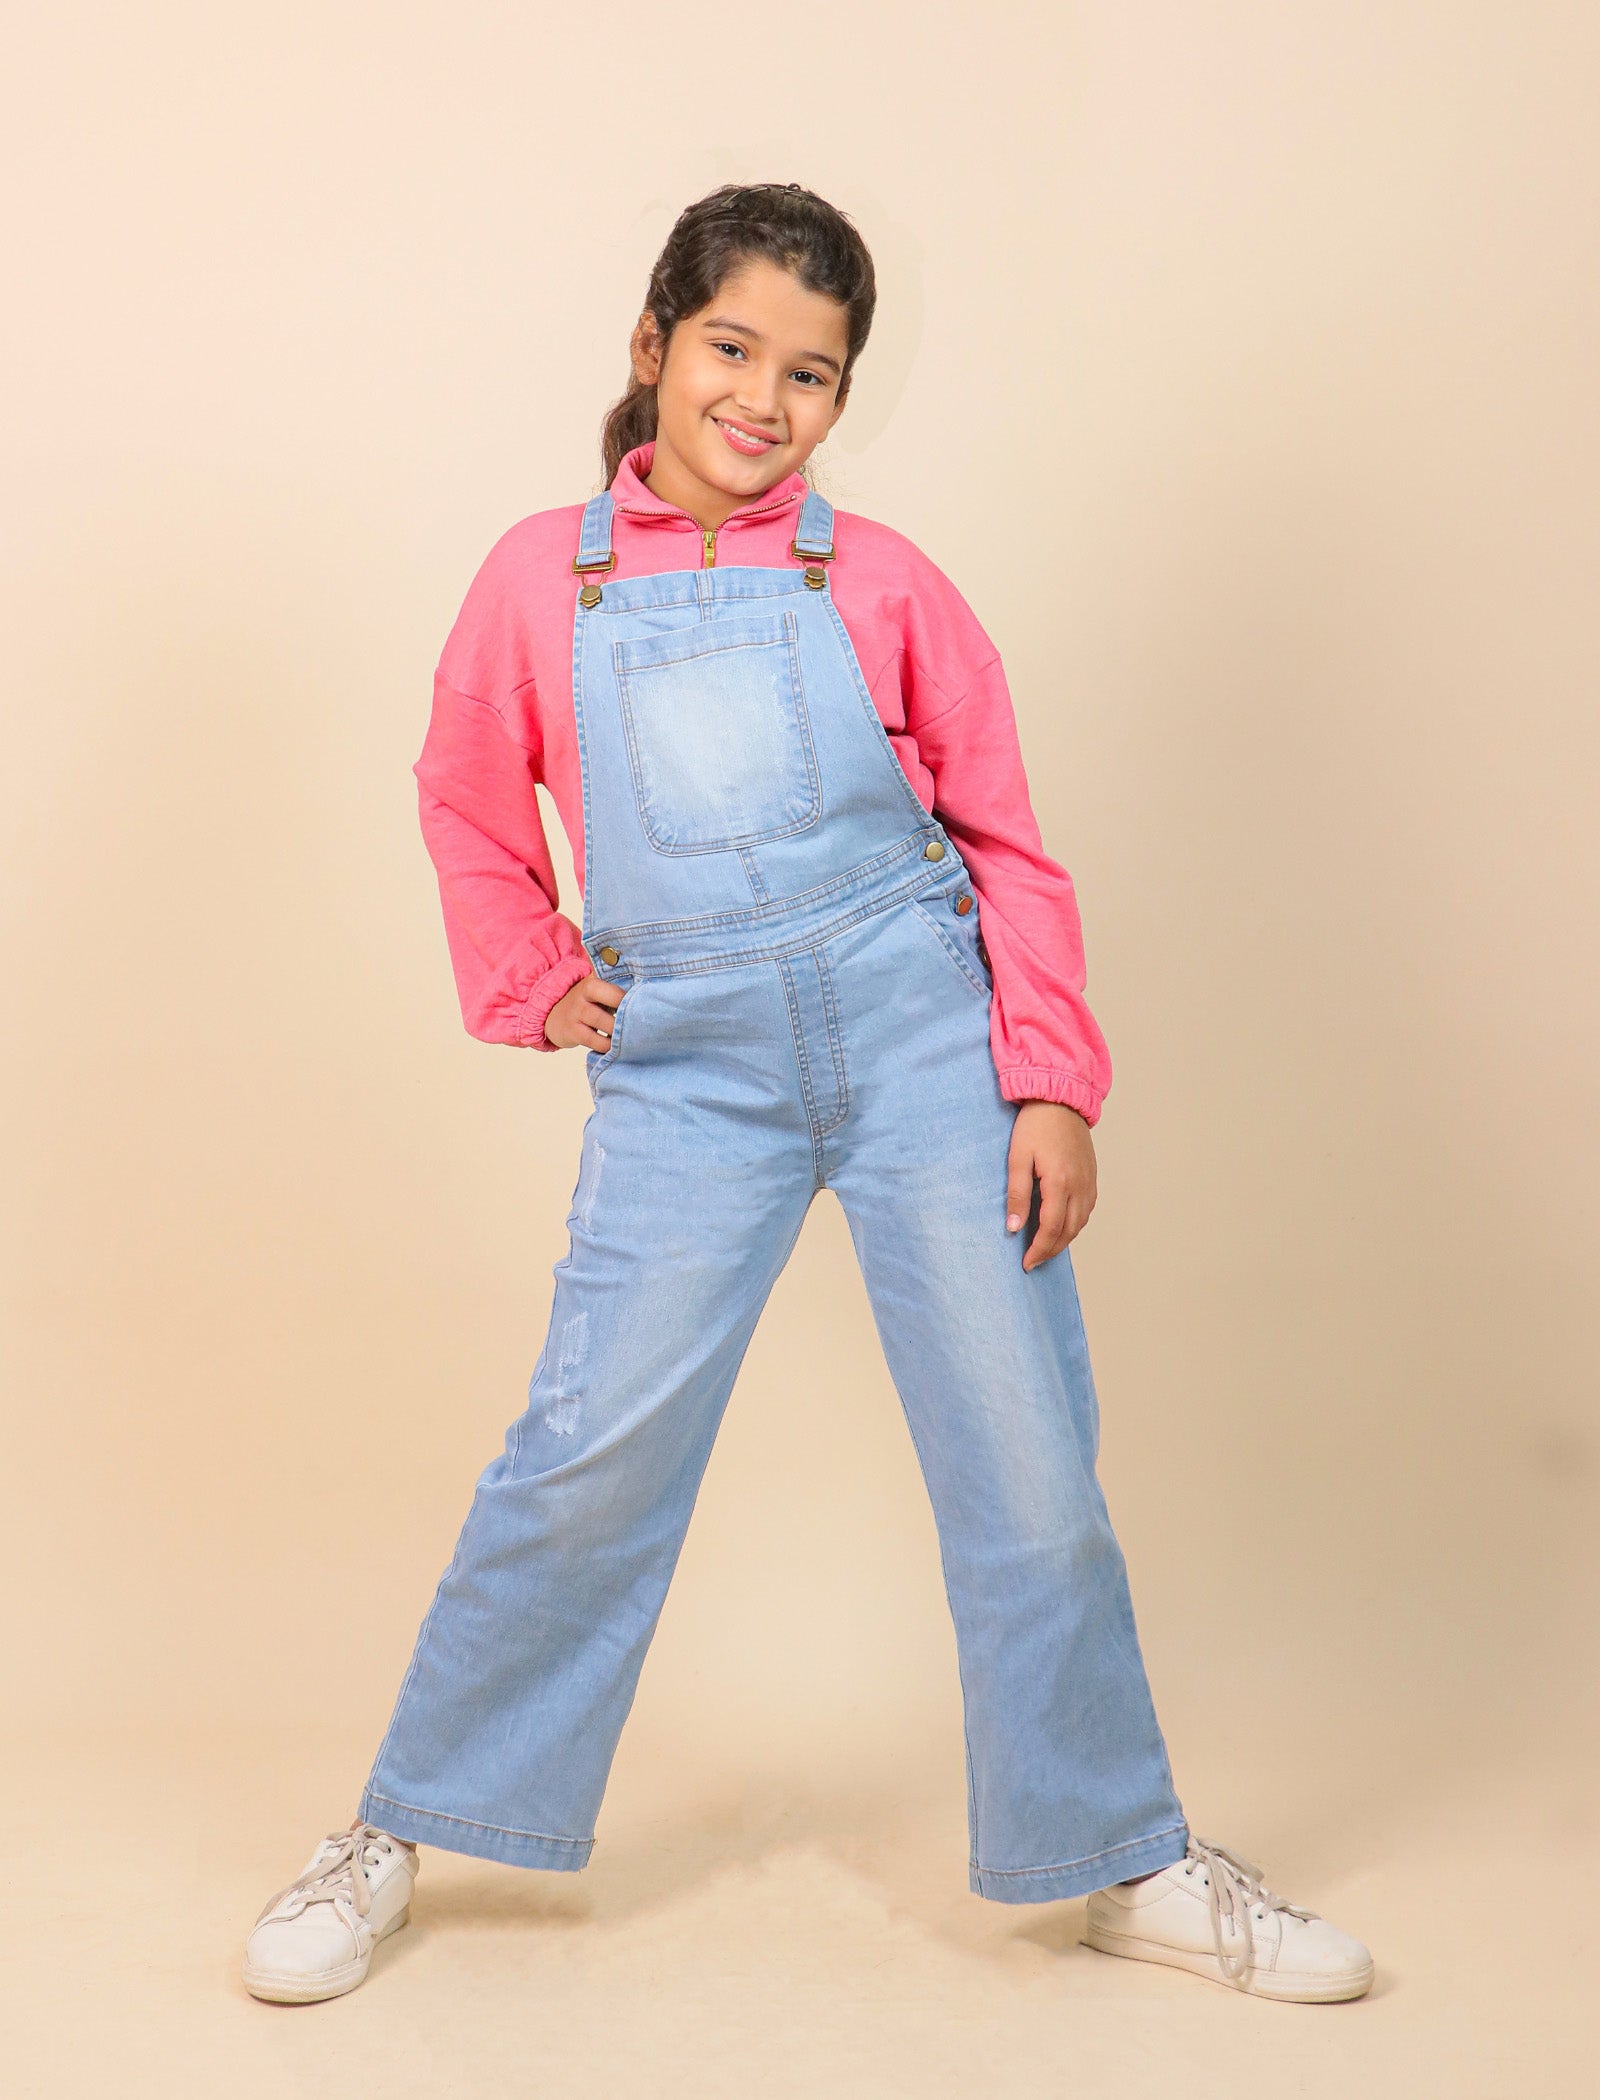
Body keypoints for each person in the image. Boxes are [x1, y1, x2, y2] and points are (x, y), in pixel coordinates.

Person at [242, 182, 1374, 2008]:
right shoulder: (542, 578)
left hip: (926, 1041)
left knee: (1028, 1464)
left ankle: (1124, 1856)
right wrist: (532, 976)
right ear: (653, 346)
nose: (762, 400)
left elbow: (1004, 840)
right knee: (588, 1451)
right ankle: (403, 1824)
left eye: (812, 373)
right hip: (689, 1077)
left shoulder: (886, 580)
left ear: (845, 394)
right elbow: (463, 792)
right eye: (731, 349)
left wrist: (1049, 1083)